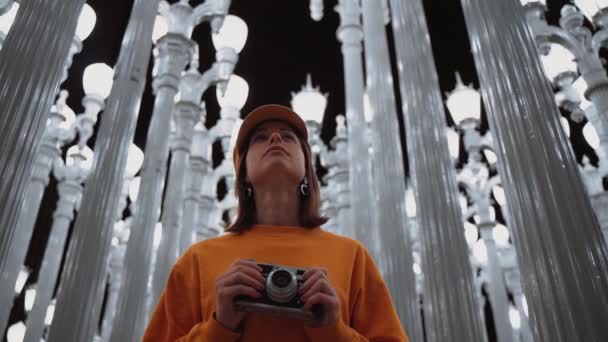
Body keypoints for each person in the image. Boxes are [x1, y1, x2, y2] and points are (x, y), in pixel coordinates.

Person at [143, 104, 409, 341]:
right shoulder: (197, 260)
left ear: (307, 167)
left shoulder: (353, 257)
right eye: (260, 137)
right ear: (243, 173)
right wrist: (218, 327)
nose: (275, 138)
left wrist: (333, 331)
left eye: (289, 136)